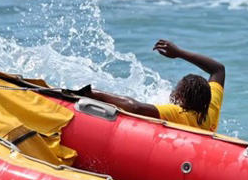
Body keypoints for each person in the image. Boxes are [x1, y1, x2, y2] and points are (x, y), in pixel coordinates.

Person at [77, 39, 225, 132]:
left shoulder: (179, 114)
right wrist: (179, 53)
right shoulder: (211, 108)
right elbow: (218, 69)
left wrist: (93, 94)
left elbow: (136, 107)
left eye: (177, 90)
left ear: (182, 100)